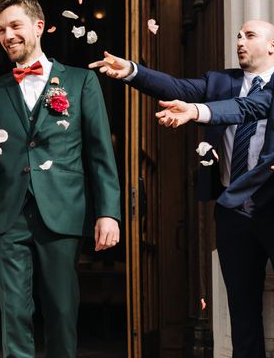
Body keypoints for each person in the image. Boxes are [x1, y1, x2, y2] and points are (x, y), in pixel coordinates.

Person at [88, 19, 274, 358]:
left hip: (273, 207)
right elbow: (175, 86)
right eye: (238, 34)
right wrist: (131, 70)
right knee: (242, 312)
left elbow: (247, 107)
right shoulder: (221, 81)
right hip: (234, 211)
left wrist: (196, 113)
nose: (240, 41)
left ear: (272, 46)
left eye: (250, 35)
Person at [0, 0, 121, 358]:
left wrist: (108, 212)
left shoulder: (81, 82)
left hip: (62, 210)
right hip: (9, 212)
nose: (8, 35)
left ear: (38, 26)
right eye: (1, 29)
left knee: (62, 310)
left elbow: (100, 153)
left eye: (15, 26)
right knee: (14, 312)